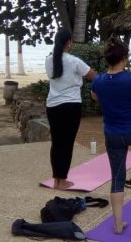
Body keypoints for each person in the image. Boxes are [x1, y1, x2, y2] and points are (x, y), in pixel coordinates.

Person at [91, 37, 131, 235]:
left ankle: (118, 223)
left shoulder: (99, 81)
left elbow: (95, 96)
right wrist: (130, 95)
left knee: (117, 178)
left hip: (113, 136)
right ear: (124, 58)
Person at [45, 29, 96, 190]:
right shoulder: (74, 61)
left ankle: (56, 180)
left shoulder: (48, 60)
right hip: (71, 106)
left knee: (57, 142)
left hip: (53, 106)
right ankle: (62, 181)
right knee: (67, 143)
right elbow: (92, 75)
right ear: (69, 43)